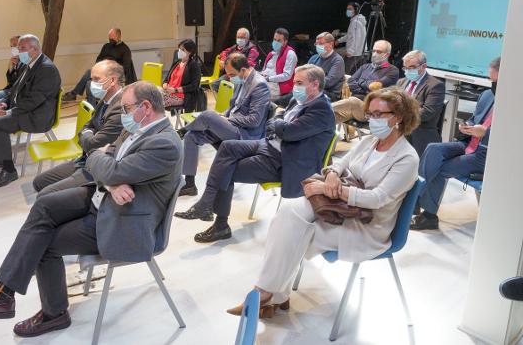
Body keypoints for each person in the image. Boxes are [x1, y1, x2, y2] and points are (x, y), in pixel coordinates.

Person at [0, 82, 183, 338]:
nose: (124, 114)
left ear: (145, 107)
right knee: (45, 204)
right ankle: (1, 293)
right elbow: (98, 156)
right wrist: (111, 181)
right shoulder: (137, 129)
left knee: (44, 244)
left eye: (127, 108)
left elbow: (106, 161)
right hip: (105, 197)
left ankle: (53, 313)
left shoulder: (164, 144)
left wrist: (110, 172)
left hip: (124, 220)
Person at [226, 87, 420, 318]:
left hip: (368, 226)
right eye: (370, 114)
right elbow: (341, 163)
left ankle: (266, 295)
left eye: (379, 114)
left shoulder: (407, 158)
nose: (372, 120)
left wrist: (333, 191)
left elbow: (377, 199)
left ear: (398, 117)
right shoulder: (370, 141)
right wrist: (331, 175)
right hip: (344, 210)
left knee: (294, 234)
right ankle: (273, 296)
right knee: (288, 212)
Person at [175, 64, 336, 243]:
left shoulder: (322, 110)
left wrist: (279, 125)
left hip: (285, 161)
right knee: (226, 147)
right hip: (269, 145)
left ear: (315, 84)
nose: (294, 87)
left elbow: (287, 131)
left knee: (226, 170)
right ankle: (205, 205)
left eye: (299, 83)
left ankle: (219, 224)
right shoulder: (298, 100)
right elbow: (276, 119)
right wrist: (280, 125)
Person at [411, 57, 499, 231]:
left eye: (496, 81)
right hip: (469, 144)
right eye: (491, 80)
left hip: (488, 154)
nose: (492, 85)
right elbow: (475, 119)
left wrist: (486, 133)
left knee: (440, 168)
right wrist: (466, 126)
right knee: (433, 149)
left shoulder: (516, 103)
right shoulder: (488, 95)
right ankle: (416, 201)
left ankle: (424, 211)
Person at [178, 52, 270, 197]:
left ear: (243, 70)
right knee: (192, 136)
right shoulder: (243, 79)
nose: (229, 77)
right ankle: (190, 184)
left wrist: (228, 120)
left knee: (208, 115)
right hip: (233, 127)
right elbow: (234, 106)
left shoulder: (259, 85)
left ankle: (181, 131)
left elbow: (255, 120)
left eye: (231, 74)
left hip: (246, 135)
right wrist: (224, 116)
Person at [0, 34, 61, 189]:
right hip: (25, 111)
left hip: (36, 116)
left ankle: (9, 170)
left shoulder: (46, 69)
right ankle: (0, 157)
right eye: (18, 48)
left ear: (35, 49)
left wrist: (9, 112)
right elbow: (14, 91)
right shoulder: (29, 64)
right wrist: (3, 103)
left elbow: (34, 101)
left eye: (22, 48)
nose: (18, 51)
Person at [32, 60, 125, 195]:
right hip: (84, 159)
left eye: (96, 79)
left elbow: (94, 143)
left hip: (97, 168)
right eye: (91, 79)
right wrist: (88, 133)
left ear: (112, 81)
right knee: (38, 182)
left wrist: (87, 134)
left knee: (44, 194)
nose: (91, 84)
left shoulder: (121, 106)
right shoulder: (105, 99)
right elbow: (87, 127)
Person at [332, 40, 400, 124]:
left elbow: (375, 87)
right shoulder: (365, 67)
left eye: (378, 51)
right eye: (374, 51)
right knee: (326, 117)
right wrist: (366, 86)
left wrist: (360, 82)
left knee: (353, 101)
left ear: (386, 54)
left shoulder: (392, 70)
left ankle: (324, 107)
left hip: (370, 110)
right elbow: (350, 82)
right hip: (353, 107)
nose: (374, 54)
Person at [63, 28, 136, 102]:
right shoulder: (106, 46)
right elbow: (99, 59)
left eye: (112, 39)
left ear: (119, 37)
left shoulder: (125, 49)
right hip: (103, 69)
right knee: (89, 73)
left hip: (113, 72)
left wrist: (112, 68)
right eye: (109, 39)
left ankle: (74, 94)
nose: (111, 41)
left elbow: (126, 67)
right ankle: (75, 94)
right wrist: (99, 67)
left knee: (89, 79)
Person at [396, 50, 445, 157]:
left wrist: (401, 117)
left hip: (420, 132)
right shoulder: (401, 82)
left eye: (412, 67)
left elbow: (427, 113)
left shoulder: (435, 85)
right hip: (398, 129)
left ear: (424, 66)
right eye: (405, 68)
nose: (408, 71)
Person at [211, 27, 259, 92]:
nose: (239, 39)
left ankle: (233, 99)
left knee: (230, 87)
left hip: (242, 76)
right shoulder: (235, 47)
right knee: (214, 85)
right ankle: (226, 100)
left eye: (242, 37)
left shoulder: (253, 49)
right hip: (230, 74)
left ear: (247, 38)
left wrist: (235, 73)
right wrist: (223, 60)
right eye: (238, 37)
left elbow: (249, 65)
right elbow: (224, 52)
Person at [162, 39, 203, 111]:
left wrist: (175, 90)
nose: (179, 51)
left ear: (190, 52)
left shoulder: (194, 66)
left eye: (183, 50)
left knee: (155, 102)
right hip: (168, 93)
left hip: (181, 97)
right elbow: (166, 79)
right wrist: (165, 84)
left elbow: (194, 86)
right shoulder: (176, 63)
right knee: (149, 93)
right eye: (179, 49)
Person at [260, 28, 297, 103]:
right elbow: (264, 70)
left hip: (278, 85)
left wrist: (269, 79)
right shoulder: (271, 54)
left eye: (279, 40)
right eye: (274, 39)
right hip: (266, 81)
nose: (275, 42)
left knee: (258, 93)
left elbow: (287, 75)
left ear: (285, 42)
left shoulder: (290, 53)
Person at [307, 32, 345, 101]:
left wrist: (309, 82)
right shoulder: (314, 58)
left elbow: (329, 82)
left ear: (331, 44)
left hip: (330, 94)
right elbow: (304, 74)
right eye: (316, 44)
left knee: (307, 92)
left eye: (321, 44)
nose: (318, 46)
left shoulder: (337, 60)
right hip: (313, 88)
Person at [337, 2, 367, 74]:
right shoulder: (356, 20)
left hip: (354, 54)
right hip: (359, 52)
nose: (348, 11)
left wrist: (351, 51)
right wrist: (339, 40)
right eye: (347, 9)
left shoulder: (355, 22)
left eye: (350, 9)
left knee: (346, 73)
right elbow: (349, 35)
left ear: (356, 10)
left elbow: (356, 38)